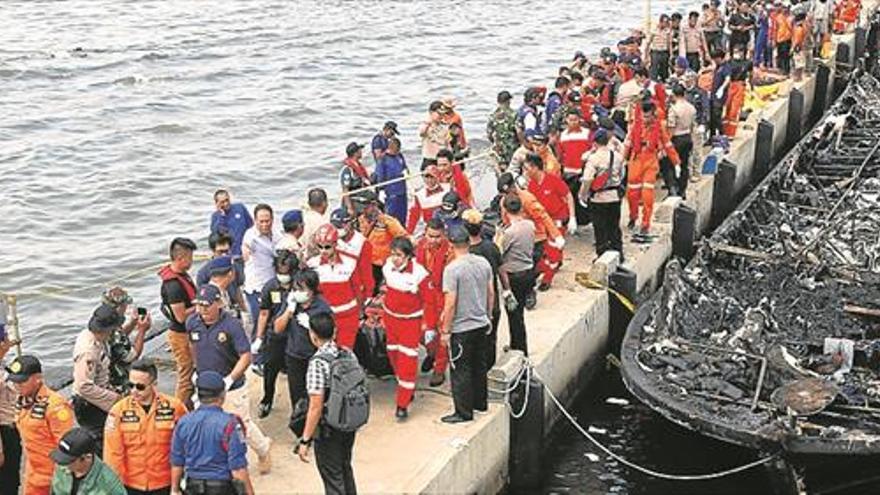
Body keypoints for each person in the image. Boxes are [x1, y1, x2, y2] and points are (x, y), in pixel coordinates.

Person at [186, 284, 272, 474]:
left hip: (231, 386)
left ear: (218, 303)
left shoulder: (231, 325)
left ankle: (263, 449)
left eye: (207, 306)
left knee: (242, 424)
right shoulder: (192, 322)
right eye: (199, 305)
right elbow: (193, 346)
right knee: (207, 424)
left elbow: (246, 356)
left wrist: (230, 379)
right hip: (206, 385)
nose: (202, 310)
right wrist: (196, 369)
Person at [296, 313, 358, 495]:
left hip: (328, 428)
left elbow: (316, 406)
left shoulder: (318, 363)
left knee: (332, 476)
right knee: (345, 467)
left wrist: (305, 440)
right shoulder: (347, 353)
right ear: (335, 331)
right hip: (348, 422)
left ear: (313, 336)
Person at [104, 359, 187, 495]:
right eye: (130, 385)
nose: (134, 391)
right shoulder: (118, 411)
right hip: (131, 485)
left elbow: (187, 444)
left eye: (140, 387)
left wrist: (178, 484)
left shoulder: (175, 407)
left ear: (154, 384)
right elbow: (112, 455)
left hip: (166, 483)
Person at [439, 226, 493, 424]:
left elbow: (450, 303)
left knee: (460, 370)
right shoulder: (483, 263)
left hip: (462, 328)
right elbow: (491, 292)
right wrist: (488, 317)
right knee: (479, 366)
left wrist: (445, 331)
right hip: (480, 323)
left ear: (450, 244)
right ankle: (480, 402)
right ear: (469, 242)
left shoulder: (452, 269)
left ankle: (463, 412)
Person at [170, 372, 254, 495]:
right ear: (223, 395)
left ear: (198, 395)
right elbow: (238, 467)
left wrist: (175, 490)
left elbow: (177, 461)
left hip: (192, 487)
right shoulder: (232, 424)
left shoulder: (183, 422)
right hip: (222, 488)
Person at [7, 355, 75, 495]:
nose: (17, 386)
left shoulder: (56, 406)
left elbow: (65, 446)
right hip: (33, 474)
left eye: (22, 381)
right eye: (14, 382)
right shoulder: (22, 400)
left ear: (38, 378)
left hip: (54, 476)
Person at [496, 172, 564, 307]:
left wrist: (556, 235)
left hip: (535, 237)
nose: (506, 195)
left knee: (531, 266)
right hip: (515, 237)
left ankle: (529, 292)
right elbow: (505, 219)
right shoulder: (504, 201)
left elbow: (543, 216)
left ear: (513, 187)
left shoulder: (527, 199)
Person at [275, 269, 333, 425]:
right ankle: (301, 428)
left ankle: (318, 426)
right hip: (294, 356)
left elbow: (330, 335)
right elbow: (277, 328)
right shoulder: (292, 302)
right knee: (297, 397)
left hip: (316, 358)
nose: (297, 292)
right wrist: (289, 310)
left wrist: (312, 325)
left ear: (312, 290)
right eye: (295, 289)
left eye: (301, 289)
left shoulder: (322, 307)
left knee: (317, 396)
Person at [382, 237, 432, 420]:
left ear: (409, 256)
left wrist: (428, 325)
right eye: (393, 254)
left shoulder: (420, 274)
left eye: (399, 255)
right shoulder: (387, 267)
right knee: (393, 355)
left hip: (411, 323)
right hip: (391, 320)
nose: (394, 258)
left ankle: (402, 404)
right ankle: (406, 386)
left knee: (407, 362)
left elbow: (429, 301)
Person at [72, 303, 131, 455]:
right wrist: (114, 398)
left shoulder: (100, 340)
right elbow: (84, 386)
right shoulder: (88, 351)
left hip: (100, 394)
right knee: (101, 444)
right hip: (89, 404)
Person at [623, 101, 680, 240]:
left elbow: (668, 145)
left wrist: (676, 163)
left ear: (653, 115)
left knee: (647, 194)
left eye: (648, 117)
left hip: (650, 160)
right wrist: (622, 161)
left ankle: (645, 223)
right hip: (635, 160)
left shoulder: (659, 127)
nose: (645, 119)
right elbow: (628, 143)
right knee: (632, 194)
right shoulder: (634, 126)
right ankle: (633, 216)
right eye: (643, 116)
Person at [254, 249, 299, 418]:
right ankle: (267, 400)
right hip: (275, 337)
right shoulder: (270, 287)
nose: (282, 276)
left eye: (285, 273)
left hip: (295, 337)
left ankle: (299, 408)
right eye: (279, 272)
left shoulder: (300, 286)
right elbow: (264, 313)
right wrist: (259, 337)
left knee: (296, 376)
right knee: (270, 371)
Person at [523, 153, 574, 290]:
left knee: (552, 251)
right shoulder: (532, 185)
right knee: (548, 249)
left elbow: (568, 196)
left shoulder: (553, 180)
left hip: (558, 219)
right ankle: (556, 261)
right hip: (544, 221)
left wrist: (573, 217)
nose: (525, 171)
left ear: (535, 168)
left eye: (527, 168)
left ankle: (547, 278)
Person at [308, 224, 363, 350]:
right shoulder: (312, 264)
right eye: (319, 247)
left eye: (327, 247)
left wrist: (360, 313)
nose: (323, 251)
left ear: (335, 244)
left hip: (348, 316)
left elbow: (358, 289)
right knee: (325, 352)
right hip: (325, 317)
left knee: (345, 351)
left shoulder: (351, 262)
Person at [159, 237, 198, 407]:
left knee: (192, 371)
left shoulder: (182, 275)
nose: (192, 261)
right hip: (180, 335)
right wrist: (201, 305)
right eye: (190, 257)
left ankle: (188, 406)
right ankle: (178, 412)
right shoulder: (173, 285)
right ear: (180, 258)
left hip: (188, 332)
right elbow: (180, 316)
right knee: (185, 375)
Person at [461, 210, 502, 368]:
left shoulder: (465, 253)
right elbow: (502, 270)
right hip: (492, 302)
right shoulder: (491, 247)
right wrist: (507, 290)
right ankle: (488, 368)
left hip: (473, 304)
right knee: (490, 338)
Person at [415, 218, 453, 387]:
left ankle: (439, 368)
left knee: (441, 332)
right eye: (431, 236)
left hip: (441, 295)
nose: (433, 240)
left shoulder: (450, 252)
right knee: (422, 331)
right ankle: (432, 352)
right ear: (425, 233)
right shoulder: (420, 246)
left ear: (443, 235)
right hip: (423, 294)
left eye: (437, 237)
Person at [579, 129, 625, 258]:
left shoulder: (593, 159)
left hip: (598, 198)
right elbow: (622, 175)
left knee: (600, 228)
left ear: (595, 142)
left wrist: (583, 195)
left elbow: (587, 179)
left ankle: (602, 254)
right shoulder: (617, 156)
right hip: (614, 196)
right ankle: (618, 253)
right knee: (614, 227)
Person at [498, 195, 535, 355]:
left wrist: (498, 235)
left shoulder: (509, 233)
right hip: (528, 272)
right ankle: (515, 344)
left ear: (505, 210)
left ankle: (520, 350)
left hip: (514, 277)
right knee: (519, 314)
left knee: (515, 316)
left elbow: (499, 252)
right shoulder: (530, 225)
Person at [241, 203, 281, 338]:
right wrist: (245, 251)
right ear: (255, 221)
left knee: (274, 316)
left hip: (274, 284)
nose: (265, 225)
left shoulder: (276, 234)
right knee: (259, 321)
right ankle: (256, 351)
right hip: (257, 287)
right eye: (261, 222)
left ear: (272, 219)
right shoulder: (251, 235)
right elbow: (246, 245)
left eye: (267, 221)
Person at [101, 286, 151, 394]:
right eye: (125, 305)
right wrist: (142, 330)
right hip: (118, 380)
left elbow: (118, 336)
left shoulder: (104, 319)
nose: (126, 308)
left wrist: (133, 323)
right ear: (119, 307)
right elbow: (132, 356)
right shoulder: (113, 328)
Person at [355, 190, 408, 290]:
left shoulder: (388, 222)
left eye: (365, 207)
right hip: (367, 262)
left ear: (374, 205)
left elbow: (405, 240)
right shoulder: (360, 220)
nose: (362, 210)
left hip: (385, 265)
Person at [50, 427, 126, 494]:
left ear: (87, 457)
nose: (64, 464)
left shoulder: (109, 483)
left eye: (70, 460)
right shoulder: (61, 466)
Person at [557, 111, 593, 228]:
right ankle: (573, 219)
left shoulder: (587, 133)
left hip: (584, 170)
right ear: (566, 120)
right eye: (570, 120)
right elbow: (560, 154)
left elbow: (592, 149)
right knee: (570, 196)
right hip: (568, 171)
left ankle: (585, 219)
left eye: (575, 120)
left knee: (583, 195)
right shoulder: (563, 135)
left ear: (580, 120)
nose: (573, 122)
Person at [197, 232, 246, 316]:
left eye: (227, 251)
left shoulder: (236, 266)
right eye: (220, 252)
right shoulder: (203, 273)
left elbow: (238, 291)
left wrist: (244, 310)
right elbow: (202, 300)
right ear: (213, 251)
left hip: (234, 308)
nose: (224, 255)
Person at [331, 208, 375, 298]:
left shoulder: (362, 243)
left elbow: (366, 272)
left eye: (339, 227)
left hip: (355, 289)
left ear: (349, 224)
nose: (336, 230)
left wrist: (368, 294)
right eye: (334, 227)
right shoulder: (332, 239)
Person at [667, 84, 698, 198]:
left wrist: (667, 143)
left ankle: (673, 190)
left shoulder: (674, 109)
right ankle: (683, 190)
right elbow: (693, 125)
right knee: (684, 165)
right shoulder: (691, 108)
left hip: (676, 138)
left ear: (674, 95)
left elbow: (671, 127)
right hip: (687, 137)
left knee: (671, 164)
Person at [0, 340, 21, 493]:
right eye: (6, 339)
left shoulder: (3, 363)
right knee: (7, 480)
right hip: (4, 432)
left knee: (12, 476)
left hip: (12, 428)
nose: (10, 341)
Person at [374, 137, 409, 226]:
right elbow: (380, 176)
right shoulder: (383, 159)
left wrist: (406, 172)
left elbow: (405, 168)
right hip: (390, 193)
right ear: (391, 147)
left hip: (402, 191)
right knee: (391, 217)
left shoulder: (400, 156)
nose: (397, 151)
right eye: (396, 149)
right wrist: (381, 190)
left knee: (403, 215)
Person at [406, 165, 450, 234]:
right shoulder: (419, 195)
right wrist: (408, 234)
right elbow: (414, 217)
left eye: (432, 177)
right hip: (430, 229)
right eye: (427, 177)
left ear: (437, 177)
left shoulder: (447, 189)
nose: (429, 180)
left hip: (447, 227)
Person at [209, 189, 253, 256]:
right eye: (222, 202)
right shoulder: (216, 216)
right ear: (217, 203)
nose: (226, 203)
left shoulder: (240, 207)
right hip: (230, 253)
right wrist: (222, 216)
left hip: (246, 249)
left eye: (227, 200)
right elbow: (217, 236)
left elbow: (251, 226)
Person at [725, 45, 753, 137]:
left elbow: (751, 75)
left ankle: (731, 134)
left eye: (739, 51)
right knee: (727, 109)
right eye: (735, 51)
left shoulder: (747, 63)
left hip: (740, 86)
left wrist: (751, 87)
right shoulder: (729, 62)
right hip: (730, 85)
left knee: (734, 110)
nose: (737, 54)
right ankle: (724, 131)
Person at [486, 90, 519, 166]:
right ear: (508, 101)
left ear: (498, 101)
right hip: (513, 147)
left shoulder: (492, 116)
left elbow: (489, 135)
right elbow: (519, 131)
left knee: (502, 168)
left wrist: (496, 142)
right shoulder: (514, 115)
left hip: (500, 148)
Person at [340, 142, 372, 213]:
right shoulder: (348, 170)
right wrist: (350, 208)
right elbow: (345, 190)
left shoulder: (359, 167)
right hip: (354, 200)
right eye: (359, 150)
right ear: (355, 153)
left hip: (362, 196)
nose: (361, 152)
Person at [419, 101, 448, 169]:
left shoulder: (444, 126)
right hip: (429, 160)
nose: (441, 116)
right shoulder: (425, 124)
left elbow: (447, 144)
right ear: (431, 112)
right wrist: (429, 122)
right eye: (439, 113)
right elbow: (422, 133)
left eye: (443, 114)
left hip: (441, 161)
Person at [709, 49, 731, 138]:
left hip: (719, 96)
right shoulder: (717, 67)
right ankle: (712, 136)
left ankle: (722, 135)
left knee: (717, 116)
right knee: (711, 117)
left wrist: (722, 88)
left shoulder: (726, 67)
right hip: (713, 95)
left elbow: (727, 79)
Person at [646, 14, 673, 81]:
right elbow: (648, 43)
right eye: (665, 22)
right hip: (655, 52)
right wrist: (646, 56)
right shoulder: (654, 30)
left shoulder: (668, 31)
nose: (666, 24)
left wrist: (671, 54)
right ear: (661, 22)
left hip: (664, 52)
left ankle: (664, 81)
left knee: (664, 69)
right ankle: (653, 82)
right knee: (654, 69)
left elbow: (669, 43)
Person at [775, 4, 794, 74]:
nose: (784, 9)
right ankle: (780, 69)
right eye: (783, 7)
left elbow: (794, 29)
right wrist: (774, 40)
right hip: (779, 39)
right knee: (780, 55)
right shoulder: (778, 17)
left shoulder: (791, 18)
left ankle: (786, 71)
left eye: (786, 8)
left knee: (786, 56)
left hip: (787, 39)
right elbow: (775, 29)